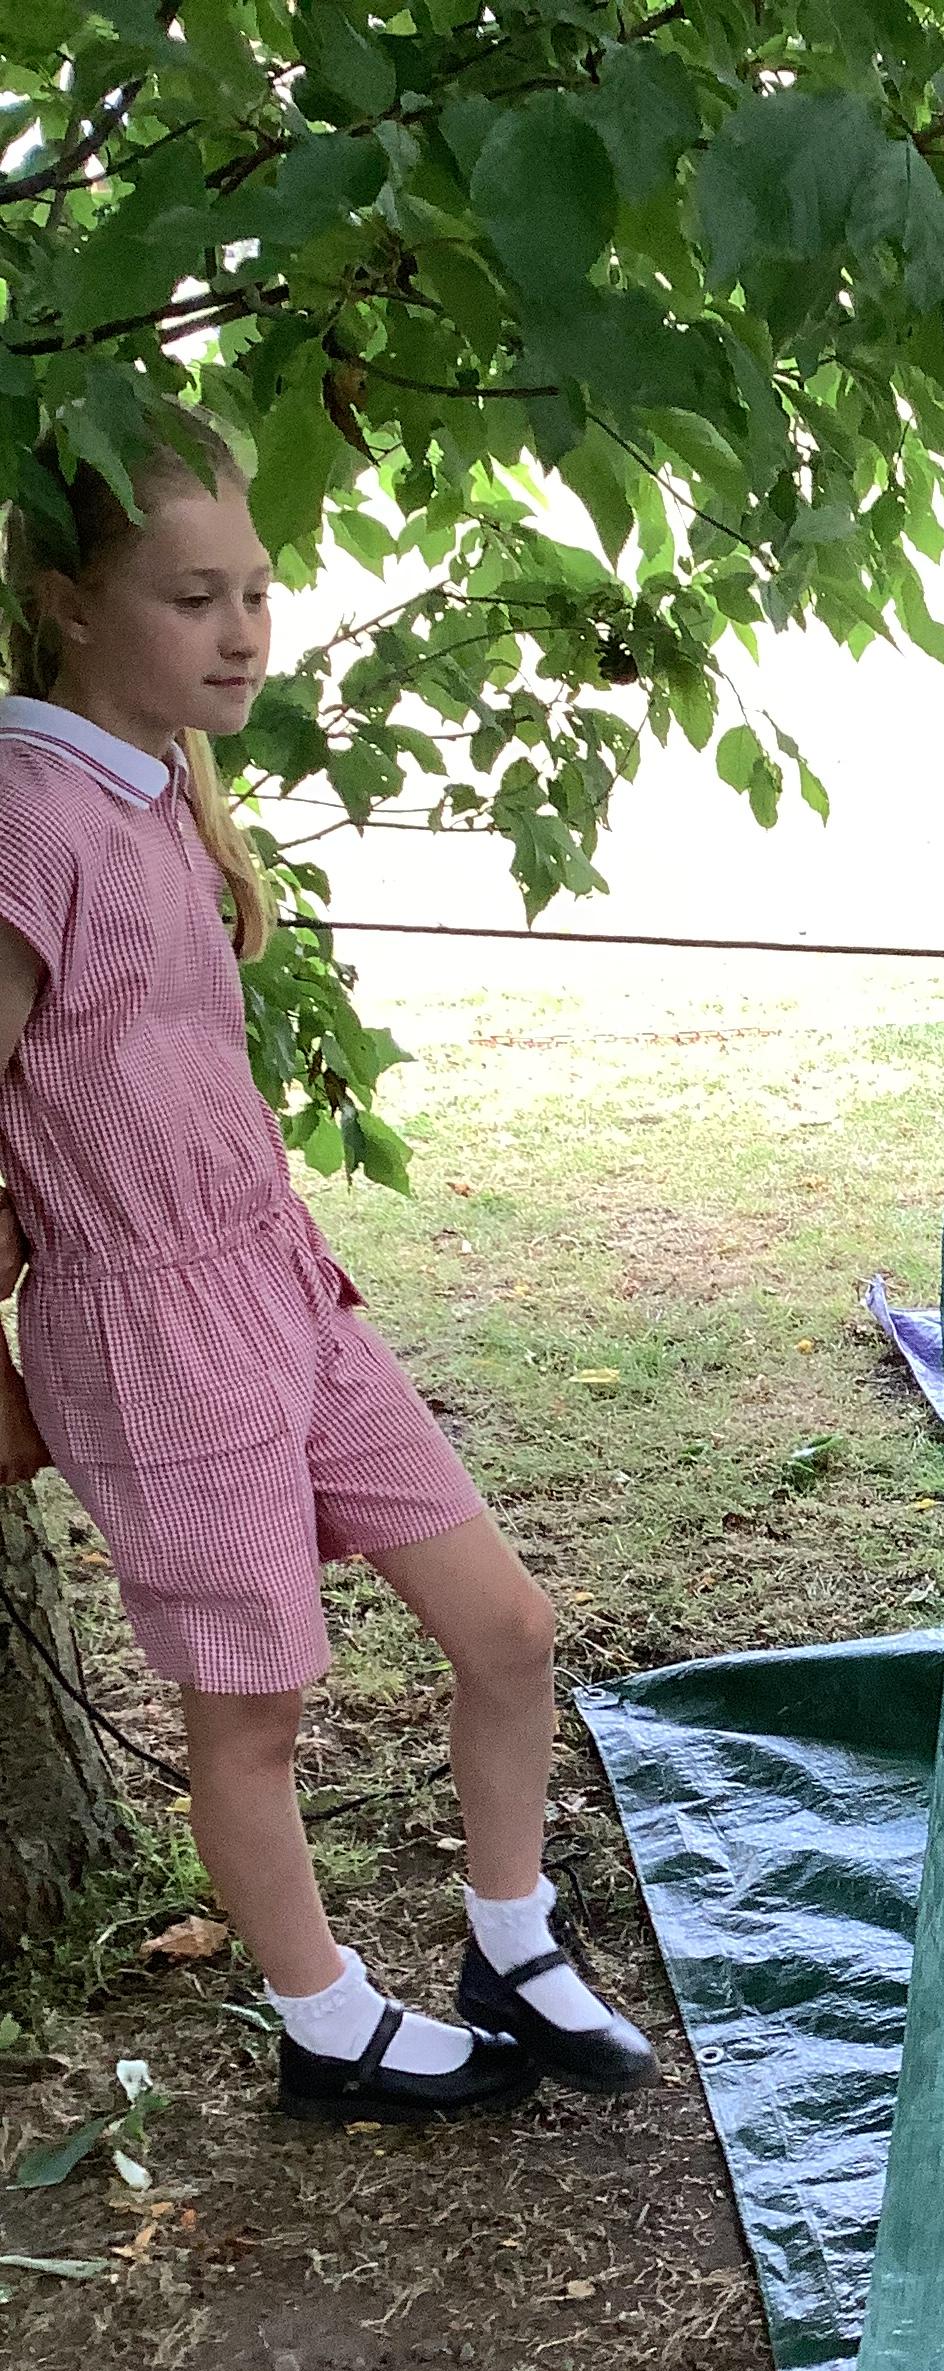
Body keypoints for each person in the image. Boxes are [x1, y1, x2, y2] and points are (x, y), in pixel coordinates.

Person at [0, 411, 655, 2124]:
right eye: (192, 598)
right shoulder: (25, 815)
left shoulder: (158, 785)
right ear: (68, 602)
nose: (241, 635)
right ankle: (325, 2023)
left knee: (509, 1628)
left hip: (279, 1283)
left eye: (257, 592)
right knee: (254, 1715)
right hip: (146, 1327)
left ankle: (508, 1939)